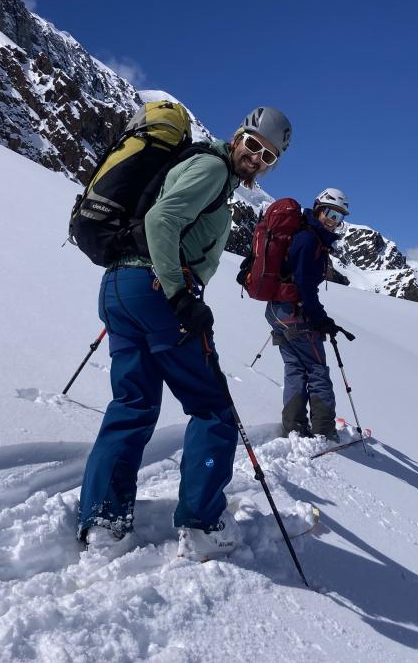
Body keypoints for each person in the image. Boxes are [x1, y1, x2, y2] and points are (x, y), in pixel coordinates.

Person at [77, 105, 292, 562]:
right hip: (158, 292)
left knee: (132, 405)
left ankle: (104, 522)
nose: (256, 158)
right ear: (237, 136)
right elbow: (161, 221)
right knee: (212, 409)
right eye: (253, 145)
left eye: (268, 156)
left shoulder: (200, 166)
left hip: (120, 287)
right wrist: (178, 296)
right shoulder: (212, 168)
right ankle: (202, 523)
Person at [266, 188, 350, 441]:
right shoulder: (308, 239)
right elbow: (304, 283)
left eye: (339, 217)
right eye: (330, 214)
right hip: (295, 312)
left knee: (295, 367)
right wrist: (320, 318)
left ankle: (294, 427)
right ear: (318, 209)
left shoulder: (306, 235)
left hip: (277, 310)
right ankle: (324, 430)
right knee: (316, 369)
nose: (333, 221)